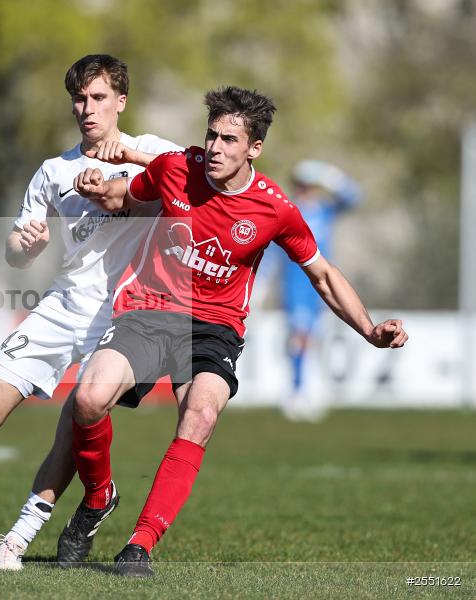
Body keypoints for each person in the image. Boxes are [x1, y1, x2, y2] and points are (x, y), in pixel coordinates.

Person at [57, 86, 408, 577]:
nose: (216, 149)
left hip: (215, 327)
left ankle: (139, 545)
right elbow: (127, 197)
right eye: (211, 136)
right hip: (151, 310)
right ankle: (98, 499)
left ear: (254, 148)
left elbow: (323, 275)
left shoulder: (275, 210)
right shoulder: (176, 168)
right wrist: (99, 187)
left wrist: (369, 329)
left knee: (200, 413)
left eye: (228, 139)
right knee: (88, 400)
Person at [0, 54, 182, 570]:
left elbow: (197, 177)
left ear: (121, 101)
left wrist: (129, 154)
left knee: (76, 420)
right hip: (62, 306)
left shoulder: (153, 150)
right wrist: (24, 243)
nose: (87, 109)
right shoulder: (53, 171)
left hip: (126, 318)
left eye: (99, 98)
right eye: (79, 99)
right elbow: (17, 253)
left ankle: (19, 537)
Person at [278, 160, 362, 421]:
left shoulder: (324, 211)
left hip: (322, 284)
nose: (308, 190)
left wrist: (331, 176)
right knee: (300, 336)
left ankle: (304, 390)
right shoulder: (289, 211)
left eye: (312, 185)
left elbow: (354, 198)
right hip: (296, 283)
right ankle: (296, 392)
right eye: (304, 185)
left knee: (311, 338)